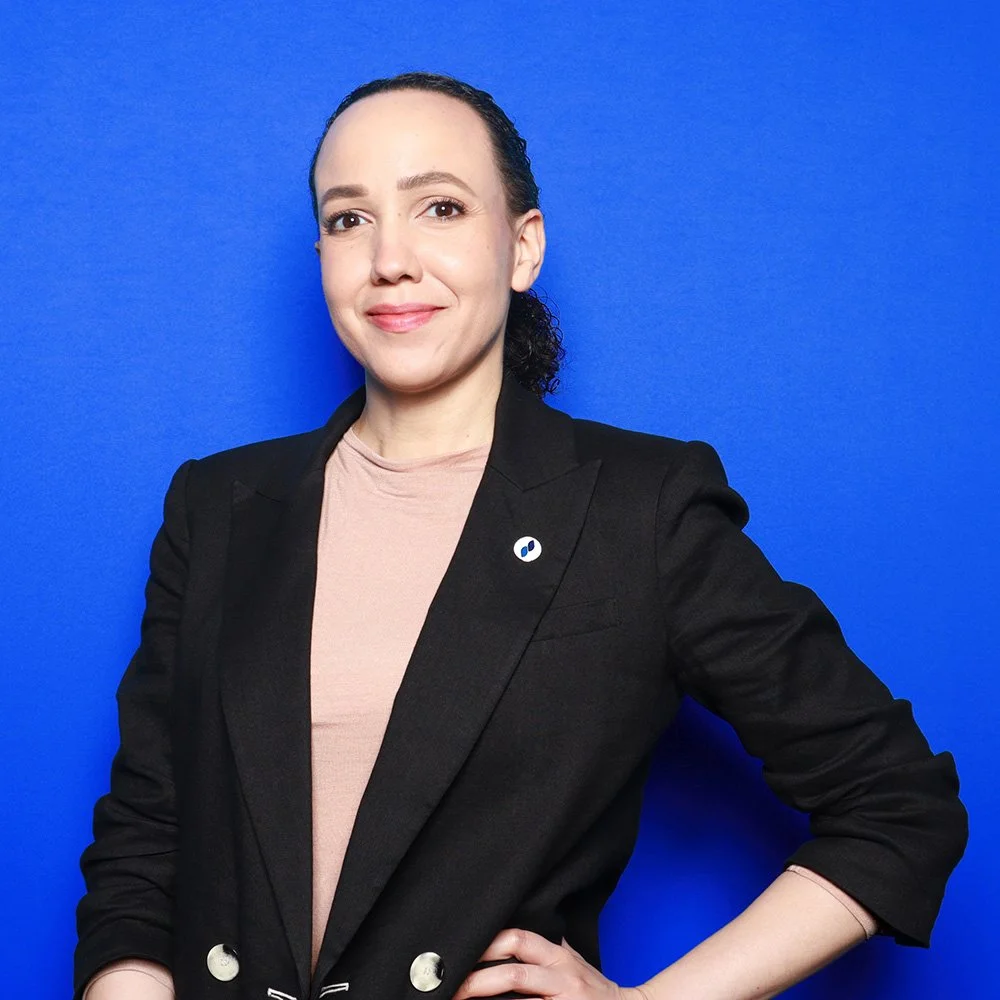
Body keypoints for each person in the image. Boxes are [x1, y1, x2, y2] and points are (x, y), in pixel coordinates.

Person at [73, 71, 968, 1000]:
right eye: (350, 219)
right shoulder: (218, 502)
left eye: (441, 208)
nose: (390, 258)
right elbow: (149, 826)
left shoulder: (640, 508)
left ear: (523, 247)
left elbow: (898, 805)